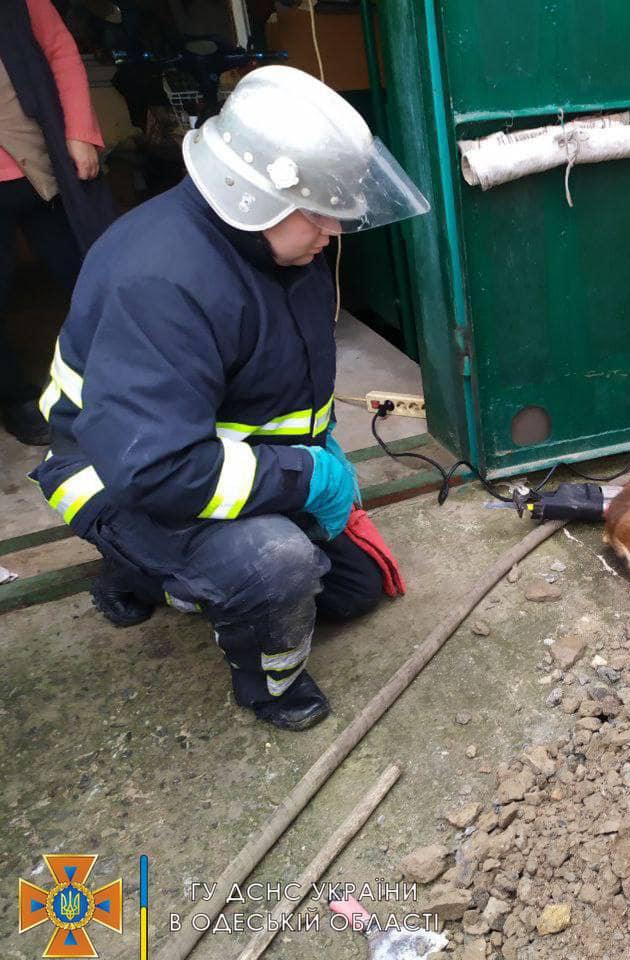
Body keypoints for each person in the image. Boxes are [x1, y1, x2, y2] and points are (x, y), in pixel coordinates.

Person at [30, 65, 430, 731]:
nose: (333, 231)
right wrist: (304, 478)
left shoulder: (279, 251)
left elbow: (280, 381)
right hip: (117, 473)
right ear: (253, 195)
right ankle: (263, 683)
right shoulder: (163, 281)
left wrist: (317, 446)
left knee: (354, 592)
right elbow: (158, 467)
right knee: (276, 566)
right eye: (321, 213)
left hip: (202, 453)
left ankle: (169, 571)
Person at [0, 0, 115, 445]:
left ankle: (115, 382)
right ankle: (16, 398)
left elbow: (60, 51)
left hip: (42, 164)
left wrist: (80, 132)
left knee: (90, 272)